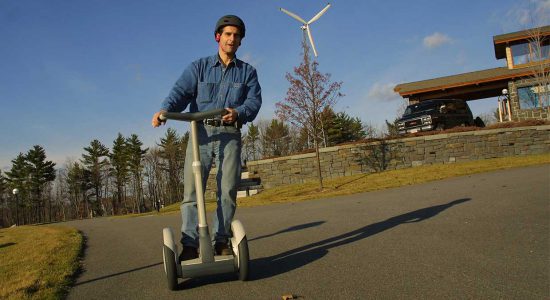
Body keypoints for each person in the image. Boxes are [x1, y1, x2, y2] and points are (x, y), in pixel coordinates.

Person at [151, 15, 262, 261]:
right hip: (199, 132)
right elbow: (180, 92)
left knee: (228, 189)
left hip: (229, 133)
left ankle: (220, 240)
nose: (232, 39)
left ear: (241, 41)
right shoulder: (198, 67)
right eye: (228, 34)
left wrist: (239, 112)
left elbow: (254, 102)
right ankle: (190, 245)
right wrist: (164, 111)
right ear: (218, 37)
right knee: (192, 190)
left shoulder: (248, 73)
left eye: (236, 35)